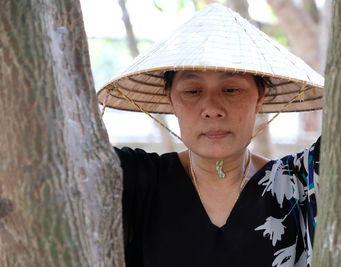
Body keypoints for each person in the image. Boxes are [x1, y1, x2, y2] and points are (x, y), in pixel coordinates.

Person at [98, 4, 323, 267]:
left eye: (231, 89)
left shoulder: (302, 181)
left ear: (259, 97)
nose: (212, 110)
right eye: (192, 91)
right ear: (170, 99)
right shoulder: (133, 177)